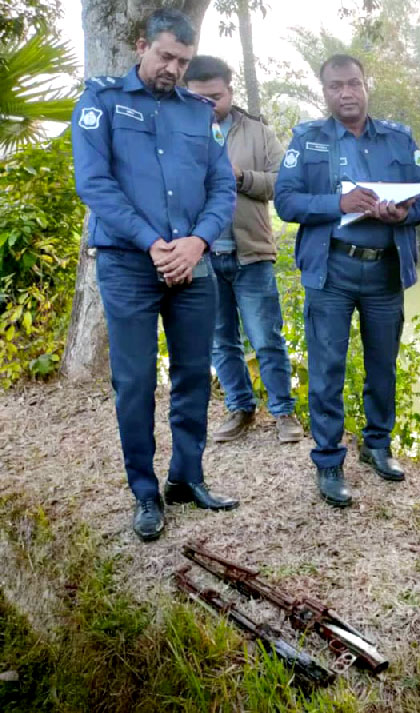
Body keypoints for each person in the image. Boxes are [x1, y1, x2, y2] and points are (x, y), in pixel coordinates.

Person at [71, 10, 239, 542]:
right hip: (127, 264)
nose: (173, 68)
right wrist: (153, 243)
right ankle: (144, 491)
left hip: (193, 262)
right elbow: (94, 185)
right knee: (136, 381)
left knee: (193, 375)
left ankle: (186, 477)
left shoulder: (199, 113)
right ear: (142, 45)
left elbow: (222, 188)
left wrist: (197, 242)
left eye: (183, 61)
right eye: (165, 55)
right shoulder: (100, 102)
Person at [274, 54, 420, 508]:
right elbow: (285, 201)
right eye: (335, 86)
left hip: (385, 267)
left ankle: (377, 446)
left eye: (353, 84)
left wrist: (406, 211)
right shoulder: (308, 141)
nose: (345, 93)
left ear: (367, 86)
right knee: (327, 368)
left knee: (382, 363)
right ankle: (329, 461)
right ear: (323, 91)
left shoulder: (399, 139)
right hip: (332, 270)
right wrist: (339, 203)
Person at [183, 56, 304, 445]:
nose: (208, 105)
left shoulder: (257, 131)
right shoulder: (177, 133)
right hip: (201, 256)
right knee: (221, 340)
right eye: (198, 98)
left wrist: (242, 178)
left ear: (230, 92)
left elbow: (284, 183)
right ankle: (240, 408)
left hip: (251, 252)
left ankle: (283, 412)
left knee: (266, 337)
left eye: (215, 97)